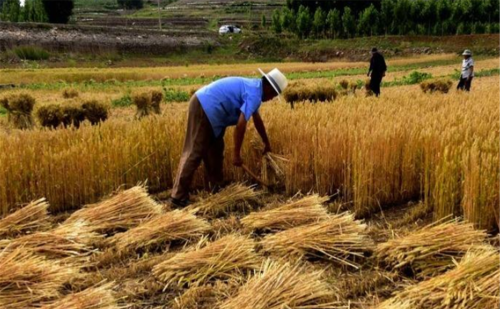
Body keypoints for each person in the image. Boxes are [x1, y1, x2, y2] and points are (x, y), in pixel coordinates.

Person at [169, 68, 288, 207]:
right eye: (273, 94)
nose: (272, 98)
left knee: (216, 151)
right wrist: (236, 154)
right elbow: (241, 124)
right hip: (204, 107)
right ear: (268, 86)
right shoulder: (255, 94)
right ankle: (177, 197)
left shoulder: (254, 89)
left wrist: (267, 143)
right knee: (195, 152)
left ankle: (216, 189)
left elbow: (257, 120)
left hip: (215, 116)